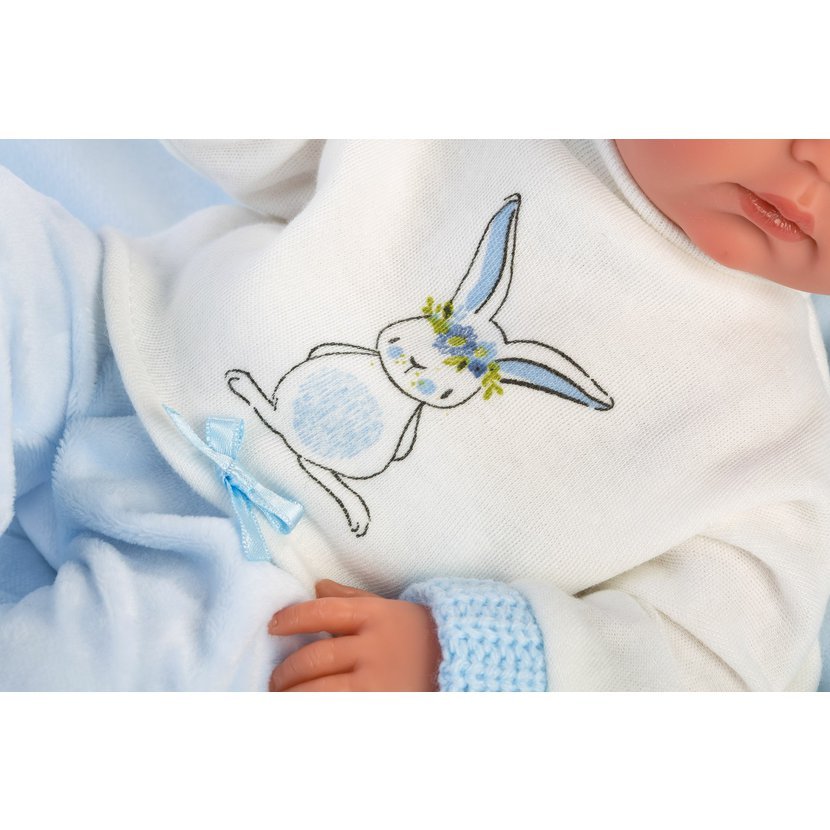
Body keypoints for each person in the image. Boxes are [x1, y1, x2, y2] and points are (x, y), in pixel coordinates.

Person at [2, 140, 830, 691]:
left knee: (110, 678)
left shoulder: (780, 432)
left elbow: (710, 661)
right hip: (116, 328)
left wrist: (466, 654)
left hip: (278, 594)